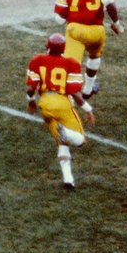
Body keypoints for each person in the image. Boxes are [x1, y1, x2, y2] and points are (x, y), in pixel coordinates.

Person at [26, 32, 93, 189]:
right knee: (80, 140)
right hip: (62, 102)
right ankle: (66, 132)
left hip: (45, 103)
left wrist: (31, 101)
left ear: (48, 46)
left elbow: (30, 88)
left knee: (62, 142)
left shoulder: (38, 59)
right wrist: (88, 109)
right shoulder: (71, 63)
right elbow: (74, 92)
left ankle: (68, 179)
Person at [54, 0, 120, 100]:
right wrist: (117, 22)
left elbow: (59, 20)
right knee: (95, 57)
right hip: (97, 31)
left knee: (71, 69)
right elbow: (108, 1)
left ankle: (69, 104)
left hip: (76, 31)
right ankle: (88, 89)